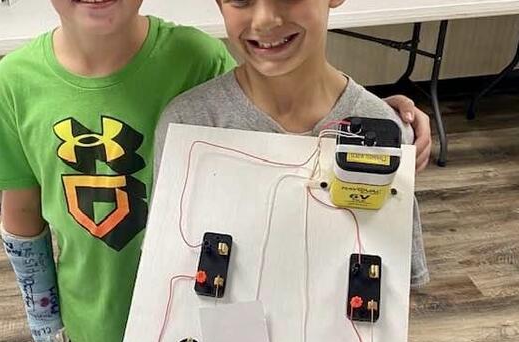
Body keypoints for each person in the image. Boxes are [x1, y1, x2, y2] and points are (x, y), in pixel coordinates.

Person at [0, 0, 429, 342]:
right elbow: (22, 215)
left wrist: (383, 120)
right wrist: (43, 313)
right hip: (118, 332)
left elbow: (278, 92)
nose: (266, 18)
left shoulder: (198, 59)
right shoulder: (23, 83)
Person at [154, 0, 430, 288]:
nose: (264, 20)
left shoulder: (383, 132)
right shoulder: (189, 123)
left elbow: (393, 285)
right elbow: (168, 269)